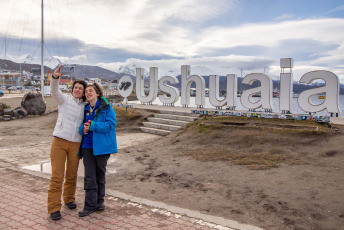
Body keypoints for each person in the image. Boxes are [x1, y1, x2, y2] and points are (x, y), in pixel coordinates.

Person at [48, 65, 87, 221]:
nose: (77, 90)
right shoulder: (64, 100)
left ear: (84, 92)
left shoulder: (85, 106)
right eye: (76, 87)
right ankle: (54, 208)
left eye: (80, 88)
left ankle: (69, 198)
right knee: (57, 176)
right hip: (59, 141)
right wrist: (55, 78)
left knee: (72, 174)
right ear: (72, 89)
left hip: (76, 144)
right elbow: (54, 92)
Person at [78, 83, 117, 217]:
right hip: (87, 147)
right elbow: (80, 126)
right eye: (86, 91)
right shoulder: (84, 109)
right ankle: (89, 205)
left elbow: (111, 125)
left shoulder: (106, 108)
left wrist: (93, 125)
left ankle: (100, 202)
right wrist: (82, 129)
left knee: (100, 175)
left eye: (91, 91)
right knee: (89, 177)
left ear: (97, 93)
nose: (88, 93)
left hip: (102, 147)